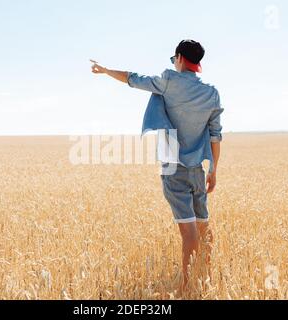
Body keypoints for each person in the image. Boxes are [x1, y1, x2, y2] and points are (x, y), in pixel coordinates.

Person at [90, 39, 224, 294]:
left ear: (180, 59)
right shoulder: (211, 93)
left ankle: (186, 288)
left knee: (189, 233)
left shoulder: (168, 82)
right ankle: (205, 278)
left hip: (174, 170)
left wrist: (105, 70)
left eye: (174, 59)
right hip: (198, 170)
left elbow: (133, 78)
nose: (173, 63)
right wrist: (214, 170)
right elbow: (215, 135)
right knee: (204, 227)